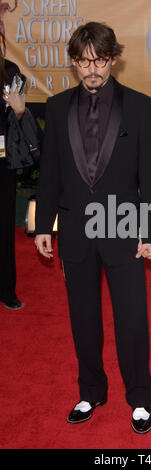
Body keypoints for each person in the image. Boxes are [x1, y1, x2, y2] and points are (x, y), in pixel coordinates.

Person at [35, 22, 151, 434]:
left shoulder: (142, 107)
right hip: (74, 230)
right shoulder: (55, 107)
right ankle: (91, 390)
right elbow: (50, 171)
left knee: (131, 320)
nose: (93, 69)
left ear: (113, 59)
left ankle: (140, 398)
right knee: (82, 318)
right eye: (85, 61)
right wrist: (42, 225)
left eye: (101, 60)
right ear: (73, 61)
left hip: (124, 228)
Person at [0, 51, 25, 310]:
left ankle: (6, 288)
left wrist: (19, 112)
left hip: (2, 159)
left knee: (4, 225)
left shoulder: (10, 71)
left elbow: (13, 118)